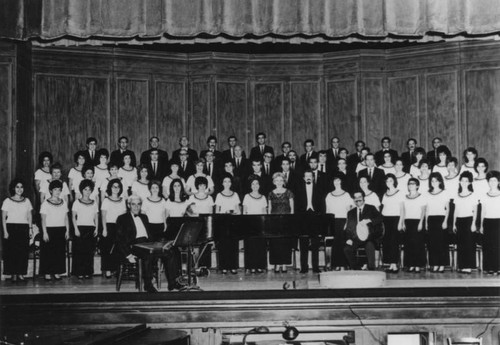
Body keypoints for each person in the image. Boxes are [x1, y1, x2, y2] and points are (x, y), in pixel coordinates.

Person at [114, 195, 158, 293]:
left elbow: (150, 235)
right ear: (128, 205)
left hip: (148, 244)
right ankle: (148, 285)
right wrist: (128, 255)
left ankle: (173, 283)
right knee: (147, 255)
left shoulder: (144, 217)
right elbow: (119, 239)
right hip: (134, 246)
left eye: (138, 204)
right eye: (133, 204)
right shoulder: (122, 218)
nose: (136, 207)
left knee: (169, 253)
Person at [1, 179, 34, 282]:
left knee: (22, 252)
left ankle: (21, 274)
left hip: (23, 228)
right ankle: (13, 274)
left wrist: (30, 229)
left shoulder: (27, 201)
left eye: (21, 187)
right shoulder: (7, 201)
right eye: (17, 187)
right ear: (13, 188)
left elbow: (29, 215)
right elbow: (3, 217)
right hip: (11, 228)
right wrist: (5, 231)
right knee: (11, 252)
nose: (19, 189)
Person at [344, 191, 383, 270]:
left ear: (364, 198)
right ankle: (356, 268)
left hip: (370, 237)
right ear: (353, 200)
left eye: (359, 197)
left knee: (369, 245)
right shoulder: (350, 213)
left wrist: (370, 220)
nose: (357, 199)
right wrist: (349, 238)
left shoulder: (371, 208)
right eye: (355, 197)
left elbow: (381, 218)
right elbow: (348, 228)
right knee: (347, 249)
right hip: (356, 238)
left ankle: (371, 269)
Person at [39, 180, 69, 281]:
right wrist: (44, 232)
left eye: (59, 190)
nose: (57, 191)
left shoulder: (63, 202)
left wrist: (67, 230)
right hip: (49, 230)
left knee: (59, 252)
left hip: (61, 229)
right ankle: (47, 272)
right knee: (47, 252)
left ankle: (57, 272)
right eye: (55, 189)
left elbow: (66, 217)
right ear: (51, 191)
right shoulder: (45, 203)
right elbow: (43, 219)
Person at [295, 170, 323, 273]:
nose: (308, 178)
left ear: (313, 177)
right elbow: (296, 205)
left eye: (310, 176)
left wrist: (320, 217)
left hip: (315, 218)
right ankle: (304, 267)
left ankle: (315, 267)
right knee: (303, 244)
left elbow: (322, 205)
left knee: (315, 244)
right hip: (303, 218)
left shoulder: (319, 189)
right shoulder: (298, 189)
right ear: (303, 178)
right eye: (306, 176)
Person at [71, 180, 98, 279]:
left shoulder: (94, 203)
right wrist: (76, 229)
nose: (87, 191)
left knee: (89, 252)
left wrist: (96, 228)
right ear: (82, 190)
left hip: (91, 228)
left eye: (89, 190)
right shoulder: (76, 202)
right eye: (85, 189)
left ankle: (88, 272)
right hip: (80, 228)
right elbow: (73, 217)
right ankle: (79, 272)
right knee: (79, 252)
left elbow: (96, 216)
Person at [325, 174, 353, 271]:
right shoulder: (329, 195)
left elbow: (350, 209)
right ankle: (336, 264)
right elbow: (328, 210)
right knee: (335, 243)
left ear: (341, 181)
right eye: (335, 180)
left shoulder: (346, 194)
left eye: (338, 180)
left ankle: (343, 265)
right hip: (333, 221)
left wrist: (347, 222)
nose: (336, 182)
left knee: (342, 242)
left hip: (343, 220)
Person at [268, 172, 294, 273]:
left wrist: (291, 221)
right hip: (274, 221)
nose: (279, 182)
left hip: (286, 221)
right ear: (274, 182)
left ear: (284, 181)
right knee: (275, 243)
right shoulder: (270, 193)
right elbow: (269, 209)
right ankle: (277, 264)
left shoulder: (289, 192)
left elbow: (292, 208)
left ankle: (284, 264)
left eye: (281, 180)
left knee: (285, 243)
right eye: (277, 180)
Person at [100, 179, 127, 278]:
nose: (116, 189)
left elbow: (124, 216)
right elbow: (103, 216)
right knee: (107, 248)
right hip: (109, 226)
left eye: (118, 187)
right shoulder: (106, 200)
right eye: (114, 186)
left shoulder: (122, 200)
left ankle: (116, 269)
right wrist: (104, 229)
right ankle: (107, 270)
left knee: (118, 248)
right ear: (110, 188)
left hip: (120, 227)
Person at [215, 174, 241, 274]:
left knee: (233, 245)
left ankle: (233, 266)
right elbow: (217, 211)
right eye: (225, 181)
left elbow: (238, 210)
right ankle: (223, 267)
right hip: (222, 222)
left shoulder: (235, 194)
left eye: (229, 181)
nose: (227, 183)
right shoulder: (219, 195)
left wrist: (235, 213)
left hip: (233, 222)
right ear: (222, 183)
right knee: (223, 245)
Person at [399, 178, 427, 273]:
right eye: (409, 184)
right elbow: (403, 211)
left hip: (417, 222)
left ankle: (418, 265)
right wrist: (402, 222)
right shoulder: (404, 197)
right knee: (409, 245)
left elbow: (423, 211)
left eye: (413, 184)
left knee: (418, 244)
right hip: (408, 222)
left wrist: (420, 222)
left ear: (417, 186)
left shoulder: (421, 197)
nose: (411, 185)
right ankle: (411, 265)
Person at [453, 171, 478, 274]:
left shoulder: (473, 195)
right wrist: (454, 223)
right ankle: (462, 265)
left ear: (469, 183)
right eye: (462, 180)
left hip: (469, 220)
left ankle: (468, 266)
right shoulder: (457, 195)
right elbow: (456, 210)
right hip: (459, 220)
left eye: (466, 181)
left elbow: (475, 210)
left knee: (469, 244)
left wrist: (473, 223)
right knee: (461, 244)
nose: (464, 182)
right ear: (459, 182)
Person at [242, 177, 268, 273]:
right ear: (250, 186)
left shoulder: (263, 197)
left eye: (257, 183)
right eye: (253, 184)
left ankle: (260, 266)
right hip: (249, 224)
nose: (255, 186)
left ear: (259, 185)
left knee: (260, 246)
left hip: (260, 225)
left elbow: (264, 212)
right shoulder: (247, 196)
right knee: (250, 246)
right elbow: (244, 211)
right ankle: (250, 266)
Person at [426, 172, 450, 273]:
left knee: (442, 243)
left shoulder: (444, 192)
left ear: (440, 181)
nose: (434, 182)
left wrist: (445, 221)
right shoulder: (428, 193)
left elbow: (448, 209)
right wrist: (426, 222)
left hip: (441, 219)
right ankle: (435, 264)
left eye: (436, 180)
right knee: (432, 244)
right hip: (431, 219)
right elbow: (427, 209)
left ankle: (442, 265)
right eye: (432, 181)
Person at [381, 174, 404, 273]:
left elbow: (402, 209)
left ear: (394, 181)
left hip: (395, 219)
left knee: (394, 242)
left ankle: (395, 265)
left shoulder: (399, 193)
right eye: (387, 181)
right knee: (387, 242)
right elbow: (384, 207)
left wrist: (401, 222)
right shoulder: (385, 194)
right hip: (386, 219)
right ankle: (390, 264)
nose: (388, 183)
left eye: (390, 180)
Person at [480, 171, 500, 274]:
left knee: (497, 246)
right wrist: (481, 224)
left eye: (495, 180)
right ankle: (489, 268)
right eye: (490, 180)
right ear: (488, 182)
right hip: (487, 222)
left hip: (498, 222)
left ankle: (498, 268)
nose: (492, 182)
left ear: (498, 182)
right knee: (488, 246)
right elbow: (483, 210)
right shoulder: (484, 195)